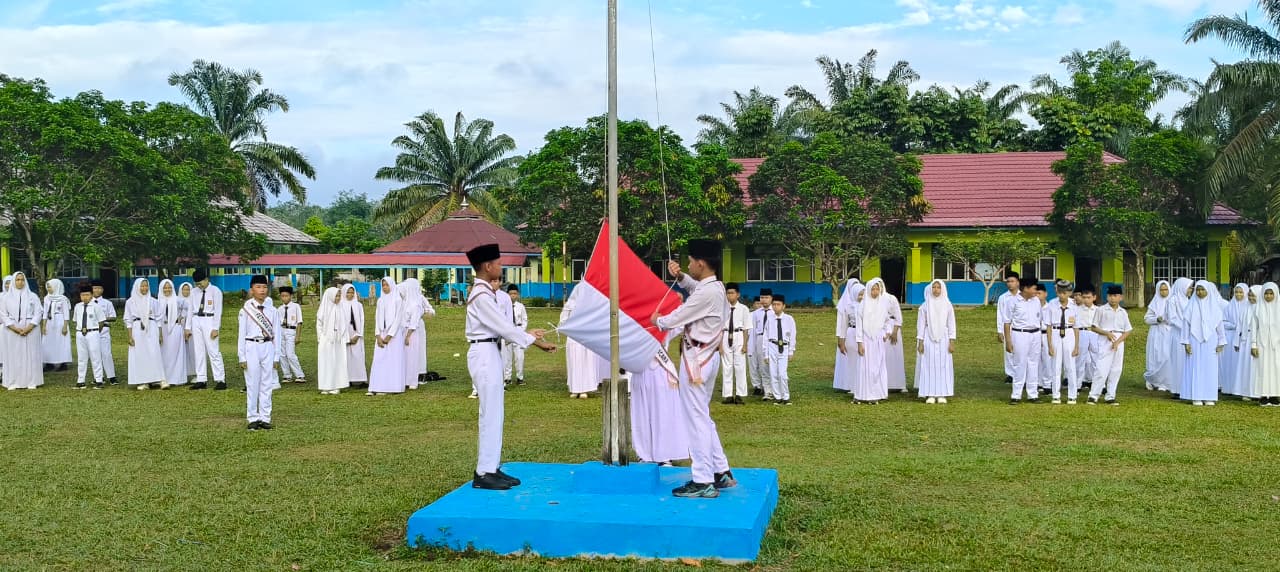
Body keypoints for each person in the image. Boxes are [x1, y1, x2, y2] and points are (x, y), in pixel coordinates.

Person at [465, 243, 556, 490]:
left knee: (496, 412)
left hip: (491, 349)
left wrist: (531, 338)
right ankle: (484, 472)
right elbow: (503, 327)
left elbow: (505, 327)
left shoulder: (487, 293)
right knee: (490, 412)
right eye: (499, 263)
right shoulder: (481, 296)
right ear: (487, 266)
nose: (501, 267)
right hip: (483, 352)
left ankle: (491, 467)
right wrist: (530, 337)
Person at [652, 239, 736, 498]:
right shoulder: (715, 287)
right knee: (703, 417)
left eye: (690, 261)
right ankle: (721, 470)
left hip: (696, 361)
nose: (688, 264)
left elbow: (679, 315)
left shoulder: (707, 293)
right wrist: (681, 277)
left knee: (695, 420)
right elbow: (696, 289)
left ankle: (702, 480)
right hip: (705, 357)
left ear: (701, 263)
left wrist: (659, 320)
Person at [237, 275, 281, 430]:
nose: (262, 290)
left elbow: (277, 333)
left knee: (266, 383)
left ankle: (265, 417)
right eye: (258, 287)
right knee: (252, 382)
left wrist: (277, 355)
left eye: (264, 287)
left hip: (268, 346)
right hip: (251, 346)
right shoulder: (246, 310)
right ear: (252, 290)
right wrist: (241, 356)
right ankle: (252, 417)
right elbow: (241, 334)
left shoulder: (273, 310)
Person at [630, 355, 690, 465]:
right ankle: (644, 454)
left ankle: (664, 456)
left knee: (663, 414)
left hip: (661, 369)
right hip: (639, 369)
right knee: (641, 415)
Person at [1180, 281, 1225, 406]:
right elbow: (1186, 326)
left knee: (1209, 368)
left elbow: (1219, 325)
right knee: (1196, 366)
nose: (1200, 292)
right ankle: (1196, 395)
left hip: (1211, 341)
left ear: (1208, 291)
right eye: (1198, 290)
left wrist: (1221, 341)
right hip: (1194, 340)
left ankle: (1209, 396)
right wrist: (1186, 342)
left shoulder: (1215, 307)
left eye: (1202, 290)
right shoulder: (1190, 306)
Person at [1087, 285, 1133, 405]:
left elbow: (1127, 330)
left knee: (1116, 369)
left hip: (1118, 340)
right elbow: (1094, 327)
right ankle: (1093, 395)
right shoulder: (1101, 310)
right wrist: (1106, 333)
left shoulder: (1123, 312)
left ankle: (1110, 395)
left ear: (1120, 297)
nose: (1112, 298)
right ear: (1107, 297)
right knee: (1102, 368)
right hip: (1105, 339)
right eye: (1110, 296)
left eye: (1115, 296)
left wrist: (1118, 341)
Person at [1003, 276, 1043, 404]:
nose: (1036, 291)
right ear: (1025, 289)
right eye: (1034, 288)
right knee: (1020, 364)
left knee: (1033, 364)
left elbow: (1039, 318)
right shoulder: (1013, 301)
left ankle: (1033, 394)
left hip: (1035, 334)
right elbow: (1007, 322)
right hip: (1020, 334)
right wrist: (1008, 341)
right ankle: (1016, 395)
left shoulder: (1036, 301)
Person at [916, 279, 956, 403]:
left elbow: (951, 324)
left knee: (943, 365)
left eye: (939, 287)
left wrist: (952, 341)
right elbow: (921, 325)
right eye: (934, 287)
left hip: (943, 338)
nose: (936, 290)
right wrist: (920, 342)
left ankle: (942, 393)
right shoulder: (924, 306)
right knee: (929, 365)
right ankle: (930, 393)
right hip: (928, 337)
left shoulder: (947, 305)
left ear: (942, 289)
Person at [854, 278, 893, 405]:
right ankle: (862, 394)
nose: (875, 292)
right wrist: (860, 342)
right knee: (865, 367)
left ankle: (877, 393)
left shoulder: (882, 305)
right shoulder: (861, 307)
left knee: (877, 367)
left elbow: (888, 320)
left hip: (877, 341)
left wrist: (887, 332)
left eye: (877, 289)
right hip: (866, 340)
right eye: (873, 289)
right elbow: (859, 326)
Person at [2, 272, 44, 390]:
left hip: (31, 329)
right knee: (13, 355)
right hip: (12, 330)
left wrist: (29, 327)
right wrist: (14, 328)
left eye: (22, 280)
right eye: (17, 280)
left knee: (31, 355)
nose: (20, 282)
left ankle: (31, 380)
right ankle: (12, 381)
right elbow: (3, 315)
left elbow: (38, 312)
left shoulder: (32, 296)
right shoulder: (6, 298)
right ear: (13, 282)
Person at [186, 269, 226, 391]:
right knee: (198, 351)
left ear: (207, 279)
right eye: (197, 283)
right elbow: (189, 310)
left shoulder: (215, 291)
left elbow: (218, 311)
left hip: (209, 319)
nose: (199, 285)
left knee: (213, 351)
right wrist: (188, 327)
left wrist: (215, 328)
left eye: (201, 282)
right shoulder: (194, 292)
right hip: (196, 319)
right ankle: (201, 379)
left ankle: (220, 380)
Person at [1043, 280, 1081, 404]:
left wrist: (1076, 346)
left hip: (1069, 334)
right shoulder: (1051, 305)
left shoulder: (1074, 306)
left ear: (1069, 293)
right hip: (1055, 333)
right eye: (1059, 293)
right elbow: (1048, 326)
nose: (1062, 295)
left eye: (1064, 293)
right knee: (1055, 366)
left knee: (1070, 366)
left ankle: (1072, 395)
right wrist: (1049, 345)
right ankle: (1056, 395)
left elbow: (1076, 327)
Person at [368, 277, 407, 396]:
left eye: (387, 285)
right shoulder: (380, 300)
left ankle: (392, 387)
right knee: (379, 360)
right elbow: (377, 318)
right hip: (382, 333)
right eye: (383, 285)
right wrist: (378, 335)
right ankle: (377, 386)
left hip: (393, 336)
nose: (385, 287)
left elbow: (398, 319)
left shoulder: (397, 300)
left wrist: (390, 336)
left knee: (392, 361)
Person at [124, 279, 165, 389]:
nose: (144, 288)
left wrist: (160, 335)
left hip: (152, 327)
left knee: (154, 353)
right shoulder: (130, 302)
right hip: (137, 329)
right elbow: (128, 320)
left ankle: (159, 379)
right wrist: (130, 336)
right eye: (142, 286)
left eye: (146, 286)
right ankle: (143, 381)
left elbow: (159, 319)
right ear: (137, 287)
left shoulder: (153, 301)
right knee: (140, 354)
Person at [561, 287, 600, 399]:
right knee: (574, 362)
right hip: (573, 337)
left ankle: (584, 389)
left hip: (586, 337)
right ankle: (574, 389)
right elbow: (563, 321)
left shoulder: (591, 306)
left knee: (586, 363)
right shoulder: (569, 305)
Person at [399, 278, 433, 391]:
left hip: (416, 328)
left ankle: (418, 374)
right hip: (403, 328)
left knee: (417, 351)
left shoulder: (419, 299)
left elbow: (431, 311)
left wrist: (423, 313)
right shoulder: (402, 300)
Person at [315, 286, 350, 395]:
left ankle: (336, 385)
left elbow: (344, 324)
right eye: (336, 296)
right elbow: (319, 324)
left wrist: (343, 337)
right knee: (326, 362)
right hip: (326, 340)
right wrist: (322, 338)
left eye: (339, 296)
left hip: (338, 339)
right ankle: (326, 386)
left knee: (337, 362)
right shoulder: (324, 308)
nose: (338, 298)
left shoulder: (340, 308)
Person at [763, 294, 796, 406]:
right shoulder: (770, 320)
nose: (776, 307)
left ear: (783, 306)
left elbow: (793, 336)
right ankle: (777, 397)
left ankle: (785, 396)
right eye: (774, 304)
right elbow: (765, 337)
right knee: (773, 373)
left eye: (778, 304)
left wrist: (791, 350)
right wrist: (766, 354)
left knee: (782, 373)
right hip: (772, 346)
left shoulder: (789, 319)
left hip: (784, 346)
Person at [720, 282, 751, 405]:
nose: (730, 296)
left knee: (740, 366)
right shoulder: (722, 309)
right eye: (728, 293)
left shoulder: (744, 309)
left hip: (738, 336)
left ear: (738, 294)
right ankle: (728, 395)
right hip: (726, 335)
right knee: (727, 367)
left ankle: (739, 394)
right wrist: (719, 345)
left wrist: (745, 344)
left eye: (732, 293)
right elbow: (719, 328)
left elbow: (746, 328)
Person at [1143, 281, 1176, 392]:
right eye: (1161, 290)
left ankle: (1165, 382)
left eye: (1165, 289)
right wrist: (1157, 319)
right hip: (1156, 333)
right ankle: (1153, 380)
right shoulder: (1154, 303)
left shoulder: (1173, 302)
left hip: (1170, 333)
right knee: (1156, 356)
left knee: (1167, 357)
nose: (1163, 292)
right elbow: (1147, 319)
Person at [1250, 283, 1280, 406]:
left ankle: (1274, 395)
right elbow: (1253, 328)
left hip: (1276, 345)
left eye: (1271, 293)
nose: (1268, 296)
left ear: (1276, 294)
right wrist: (1253, 345)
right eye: (1266, 293)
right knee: (1262, 368)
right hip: (1261, 344)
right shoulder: (1257, 308)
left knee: (1276, 368)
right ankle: (1263, 395)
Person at [72, 284, 106, 389]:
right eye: (82, 295)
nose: (85, 297)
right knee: (82, 358)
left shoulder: (96, 306)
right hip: (80, 333)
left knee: (95, 357)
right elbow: (75, 320)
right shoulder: (78, 306)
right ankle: (81, 380)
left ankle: (99, 380)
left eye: (87, 295)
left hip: (93, 332)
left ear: (91, 295)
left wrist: (95, 332)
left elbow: (101, 321)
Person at [157, 279, 188, 388]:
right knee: (163, 353)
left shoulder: (178, 300)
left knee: (175, 353)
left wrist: (182, 317)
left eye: (169, 287)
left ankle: (175, 378)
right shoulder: (157, 301)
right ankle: (163, 378)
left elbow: (188, 308)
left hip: (175, 328)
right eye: (165, 287)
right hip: (162, 330)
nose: (167, 289)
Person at [1220, 284, 1250, 397]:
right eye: (1236, 292)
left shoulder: (1249, 306)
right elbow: (1222, 322)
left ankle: (1242, 389)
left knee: (1241, 363)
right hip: (1231, 337)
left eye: (1241, 292)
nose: (1238, 294)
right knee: (1230, 363)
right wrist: (1234, 326)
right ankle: (1229, 387)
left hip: (1243, 338)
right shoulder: (1229, 306)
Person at [836, 281, 865, 396]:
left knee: (864, 362)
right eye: (859, 294)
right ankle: (853, 386)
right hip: (851, 334)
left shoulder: (867, 307)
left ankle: (864, 385)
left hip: (864, 335)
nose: (862, 297)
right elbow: (843, 326)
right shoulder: (848, 307)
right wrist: (841, 342)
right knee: (853, 361)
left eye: (863, 294)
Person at [1168, 277, 1195, 398]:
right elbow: (1172, 319)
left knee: (1186, 362)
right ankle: (1176, 389)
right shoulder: (1173, 300)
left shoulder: (1189, 300)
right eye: (1189, 287)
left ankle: (1186, 387)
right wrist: (1185, 328)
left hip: (1189, 336)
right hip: (1177, 335)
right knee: (1177, 362)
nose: (1191, 289)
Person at [90, 279, 119, 385]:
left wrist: (102, 318)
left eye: (99, 288)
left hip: (104, 330)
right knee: (94, 354)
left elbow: (114, 317)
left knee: (106, 353)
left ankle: (112, 377)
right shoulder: (88, 303)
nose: (96, 290)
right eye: (94, 288)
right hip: (91, 330)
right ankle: (98, 377)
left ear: (102, 290)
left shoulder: (107, 303)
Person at [340, 284, 368, 390]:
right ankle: (347, 379)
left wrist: (358, 335)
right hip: (345, 334)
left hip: (356, 334)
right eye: (348, 292)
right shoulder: (341, 305)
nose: (350, 294)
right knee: (346, 357)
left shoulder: (358, 305)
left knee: (358, 356)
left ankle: (360, 378)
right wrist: (346, 337)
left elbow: (362, 320)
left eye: (352, 292)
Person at [276, 286, 306, 384]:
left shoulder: (296, 306)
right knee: (282, 354)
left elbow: (299, 322)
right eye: (282, 296)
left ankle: (300, 375)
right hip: (281, 331)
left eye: (286, 296)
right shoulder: (279, 309)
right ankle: (287, 375)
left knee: (290, 354)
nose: (284, 298)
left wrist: (298, 336)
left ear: (291, 296)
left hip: (291, 331)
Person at [41, 279, 72, 372]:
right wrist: (44, 325)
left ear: (56, 286)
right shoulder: (47, 298)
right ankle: (48, 362)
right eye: (48, 287)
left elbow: (66, 313)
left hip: (60, 321)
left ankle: (63, 363)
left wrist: (65, 326)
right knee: (48, 342)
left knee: (61, 342)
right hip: (49, 323)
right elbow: (45, 312)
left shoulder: (63, 299)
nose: (48, 288)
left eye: (50, 286)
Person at [1238, 286, 1263, 401]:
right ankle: (1246, 391)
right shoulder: (1246, 307)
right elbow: (1240, 325)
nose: (1251, 298)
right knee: (1246, 367)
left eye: (1253, 295)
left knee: (1257, 367)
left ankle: (1258, 392)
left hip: (1258, 340)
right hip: (1246, 339)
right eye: (1250, 295)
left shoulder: (1262, 308)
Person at [996, 273, 1020, 383]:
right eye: (1008, 281)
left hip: (1020, 328)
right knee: (1009, 351)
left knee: (1020, 351)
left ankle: (1020, 372)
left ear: (1018, 282)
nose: (1010, 284)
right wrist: (1000, 331)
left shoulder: (1022, 296)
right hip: (1008, 328)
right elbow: (1000, 314)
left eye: (1012, 281)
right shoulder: (1003, 298)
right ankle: (1010, 374)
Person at [503, 284, 529, 386]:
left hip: (518, 331)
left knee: (519, 356)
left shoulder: (520, 306)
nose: (513, 296)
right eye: (510, 294)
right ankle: (507, 377)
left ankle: (520, 377)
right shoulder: (504, 306)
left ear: (517, 294)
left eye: (515, 294)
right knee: (507, 357)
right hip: (508, 332)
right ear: (507, 295)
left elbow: (524, 320)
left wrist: (521, 331)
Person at [750, 289, 774, 399]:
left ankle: (773, 389)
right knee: (763, 365)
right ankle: (766, 391)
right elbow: (753, 331)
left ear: (771, 298)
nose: (763, 300)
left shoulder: (774, 312)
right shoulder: (755, 314)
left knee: (772, 365)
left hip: (771, 340)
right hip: (759, 339)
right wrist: (751, 347)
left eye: (766, 298)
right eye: (762, 298)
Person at [1075, 286, 1099, 389]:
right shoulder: (1077, 309)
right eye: (1084, 297)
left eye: (1088, 297)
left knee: (1096, 360)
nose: (1086, 299)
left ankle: (1097, 384)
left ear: (1094, 297)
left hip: (1094, 333)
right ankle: (1078, 384)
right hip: (1082, 332)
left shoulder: (1098, 310)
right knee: (1080, 360)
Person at [885, 285, 907, 393]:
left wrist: (895, 332)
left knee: (895, 356)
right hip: (881, 330)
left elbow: (898, 317)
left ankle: (898, 384)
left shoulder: (891, 298)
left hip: (893, 327)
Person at [179, 283, 197, 381]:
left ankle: (195, 373)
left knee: (192, 351)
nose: (186, 292)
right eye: (184, 289)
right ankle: (183, 373)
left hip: (191, 329)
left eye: (188, 290)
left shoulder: (194, 301)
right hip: (179, 329)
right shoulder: (177, 301)